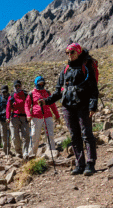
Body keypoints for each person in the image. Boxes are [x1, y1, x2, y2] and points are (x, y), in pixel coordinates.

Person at [40, 43, 99, 176]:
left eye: (72, 52)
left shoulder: (86, 67)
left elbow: (93, 89)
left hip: (83, 106)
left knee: (87, 134)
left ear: (78, 52)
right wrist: (46, 101)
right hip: (67, 106)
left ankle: (90, 163)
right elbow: (58, 91)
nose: (69, 55)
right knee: (74, 135)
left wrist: (92, 106)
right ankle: (79, 164)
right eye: (67, 53)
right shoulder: (65, 69)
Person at [25, 76, 60, 159]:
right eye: (39, 83)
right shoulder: (31, 93)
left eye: (42, 83)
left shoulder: (47, 92)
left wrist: (57, 115)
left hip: (47, 116)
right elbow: (27, 105)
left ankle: (51, 153)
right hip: (36, 117)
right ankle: (31, 155)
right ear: (36, 84)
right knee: (34, 135)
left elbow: (52, 104)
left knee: (50, 134)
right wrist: (28, 115)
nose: (41, 85)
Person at [6, 80, 31, 159]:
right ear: (14, 87)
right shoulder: (12, 96)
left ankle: (26, 152)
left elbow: (29, 104)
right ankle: (18, 152)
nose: (18, 88)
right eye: (16, 86)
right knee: (14, 136)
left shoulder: (25, 94)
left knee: (26, 136)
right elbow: (8, 107)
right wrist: (7, 117)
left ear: (21, 86)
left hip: (24, 117)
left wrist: (29, 115)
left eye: (19, 86)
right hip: (14, 118)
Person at [0, 85, 11, 155]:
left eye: (5, 92)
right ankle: (5, 151)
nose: (4, 93)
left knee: (10, 136)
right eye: (3, 92)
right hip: (2, 119)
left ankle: (9, 149)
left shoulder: (11, 98)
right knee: (4, 135)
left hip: (11, 119)